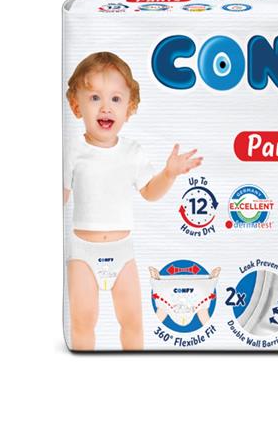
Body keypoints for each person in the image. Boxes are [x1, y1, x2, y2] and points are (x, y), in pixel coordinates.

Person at [64, 52, 202, 350]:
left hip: (122, 252)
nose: (106, 107)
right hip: (83, 253)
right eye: (94, 98)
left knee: (132, 321)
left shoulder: (132, 152)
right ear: (76, 105)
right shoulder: (72, 151)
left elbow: (150, 192)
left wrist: (169, 173)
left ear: (129, 109)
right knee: (82, 321)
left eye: (116, 99)